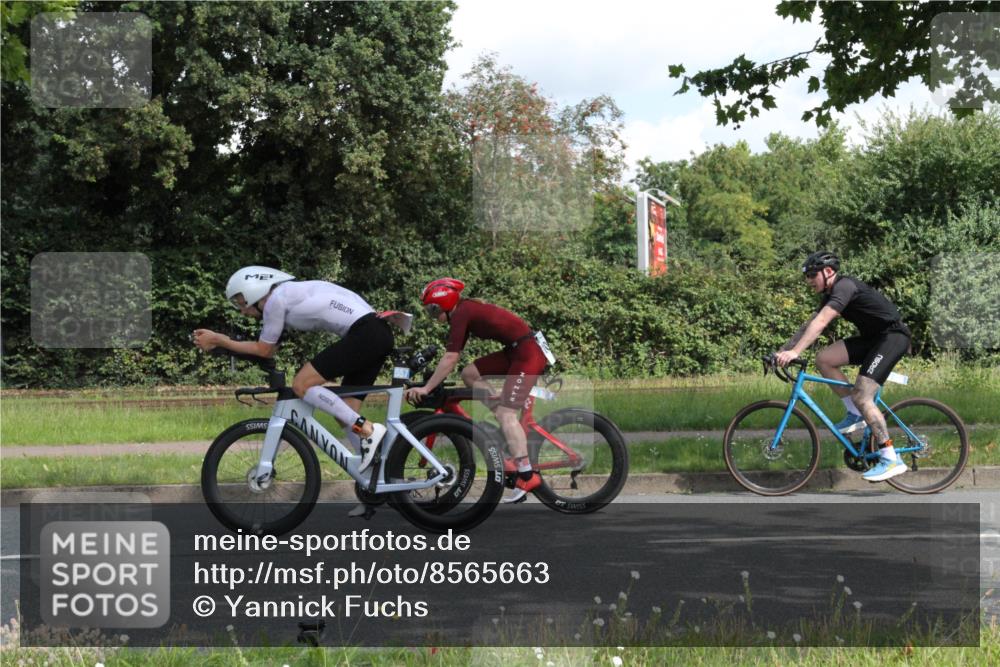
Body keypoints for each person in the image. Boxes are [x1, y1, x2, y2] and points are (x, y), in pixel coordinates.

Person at [192, 266, 393, 474]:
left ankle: (368, 429)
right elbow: (268, 351)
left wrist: (220, 340)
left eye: (240, 302)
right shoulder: (286, 294)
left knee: (301, 384)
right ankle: (376, 477)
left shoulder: (274, 301)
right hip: (376, 331)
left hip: (366, 333)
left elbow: (264, 349)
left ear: (254, 292)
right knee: (345, 413)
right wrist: (223, 345)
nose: (242, 311)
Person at [404, 278, 550, 503]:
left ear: (445, 302)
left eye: (433, 310)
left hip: (527, 353)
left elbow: (451, 357)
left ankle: (527, 475)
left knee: (506, 414)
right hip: (516, 350)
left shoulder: (462, 313)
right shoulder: (464, 310)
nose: (433, 316)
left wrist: (427, 387)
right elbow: (455, 360)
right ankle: (502, 418)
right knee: (469, 374)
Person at [775, 251, 913, 482]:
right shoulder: (830, 293)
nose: (809, 280)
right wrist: (783, 351)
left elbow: (821, 323)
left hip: (892, 338)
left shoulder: (845, 286)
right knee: (824, 359)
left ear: (828, 272)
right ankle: (855, 413)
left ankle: (890, 458)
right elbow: (809, 324)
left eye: (812, 274)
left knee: (863, 395)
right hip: (873, 339)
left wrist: (795, 352)